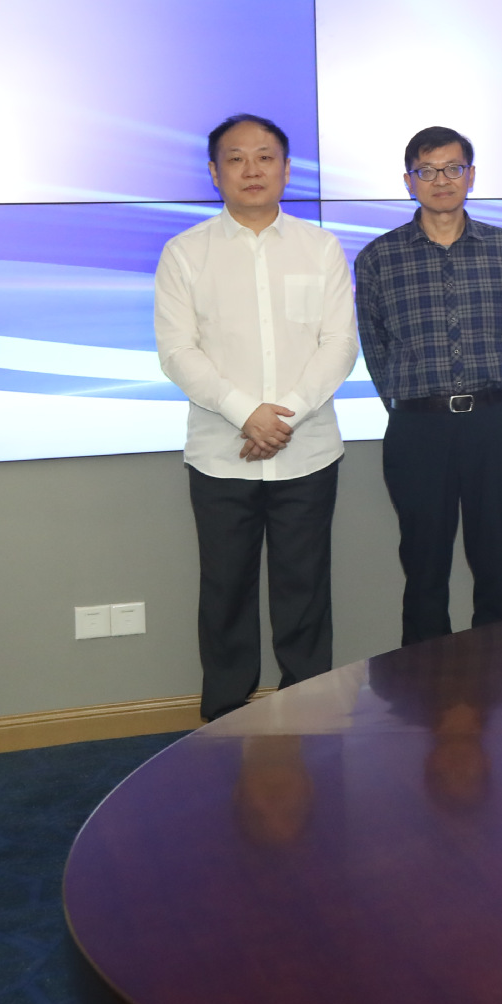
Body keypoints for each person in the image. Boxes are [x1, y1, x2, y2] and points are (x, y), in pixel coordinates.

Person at [154, 114, 358, 720]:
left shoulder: (320, 247)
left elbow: (339, 345)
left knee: (305, 591)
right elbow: (178, 352)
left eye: (265, 157)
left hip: (307, 451)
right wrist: (247, 415)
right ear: (214, 172)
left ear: (287, 170)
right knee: (225, 593)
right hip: (221, 455)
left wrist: (281, 417)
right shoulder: (185, 253)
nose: (252, 170)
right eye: (236, 158)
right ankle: (223, 718)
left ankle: (309, 712)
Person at [354, 126, 502, 647]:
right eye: (427, 171)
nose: (441, 180)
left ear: (471, 176)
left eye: (453, 168)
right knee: (424, 566)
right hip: (418, 427)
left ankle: (500, 673)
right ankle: (425, 682)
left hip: (494, 423)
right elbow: (375, 345)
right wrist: (408, 404)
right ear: (409, 181)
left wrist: (501, 399)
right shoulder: (378, 257)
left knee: (498, 562)